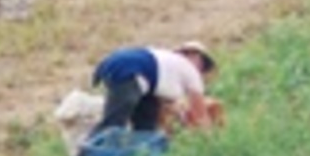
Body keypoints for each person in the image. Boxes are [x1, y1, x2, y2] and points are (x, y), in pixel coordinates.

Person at [89, 41, 217, 137]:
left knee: (147, 121)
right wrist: (209, 138)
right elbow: (200, 116)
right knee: (113, 125)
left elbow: (164, 105)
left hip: (122, 66)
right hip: (130, 72)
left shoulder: (168, 61)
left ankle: (141, 153)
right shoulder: (191, 72)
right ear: (199, 61)